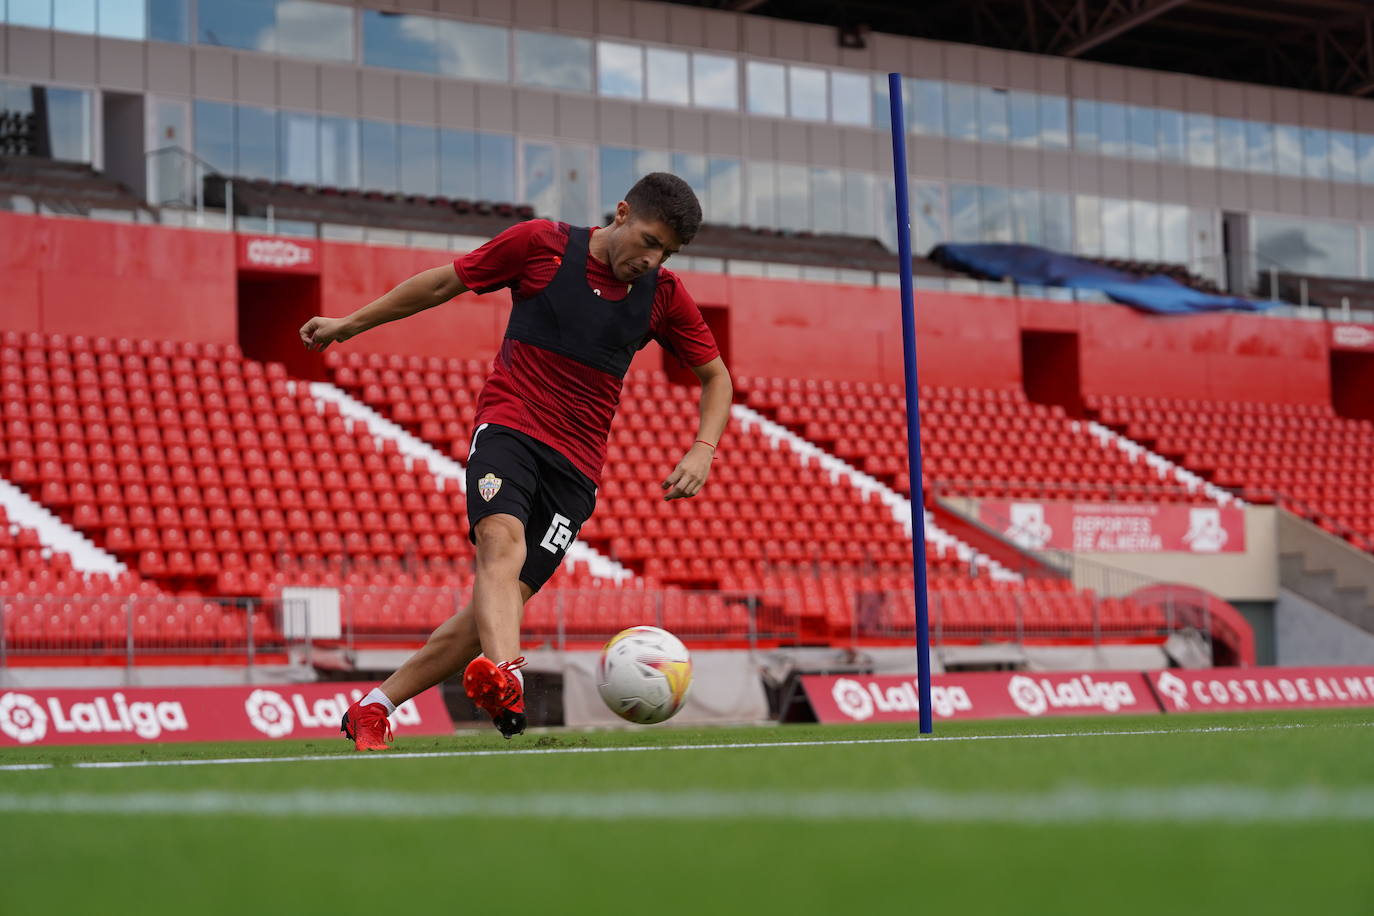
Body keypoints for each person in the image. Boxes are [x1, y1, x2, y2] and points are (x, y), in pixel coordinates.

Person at [298, 173, 732, 748]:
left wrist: (704, 450)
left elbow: (716, 378)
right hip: (511, 426)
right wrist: (348, 323)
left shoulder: (664, 295)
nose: (652, 259)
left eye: (667, 252)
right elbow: (439, 286)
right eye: (649, 240)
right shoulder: (541, 245)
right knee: (500, 543)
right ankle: (507, 676)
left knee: (499, 604)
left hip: (577, 467)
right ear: (622, 213)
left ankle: (374, 707)